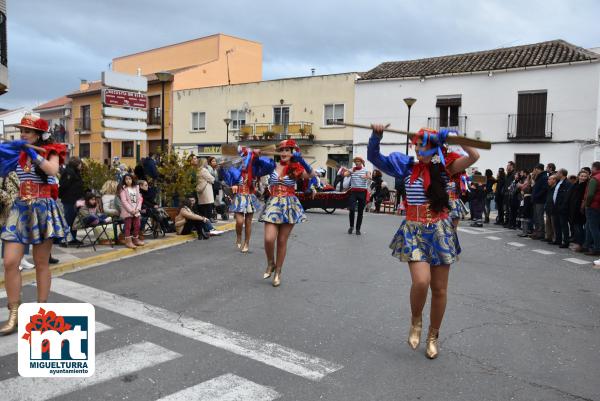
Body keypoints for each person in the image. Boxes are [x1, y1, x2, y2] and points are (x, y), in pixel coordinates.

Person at [367, 124, 479, 359]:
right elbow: (374, 157)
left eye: (423, 145)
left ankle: (433, 335)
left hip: (440, 230)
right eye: (416, 144)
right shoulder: (407, 167)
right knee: (421, 282)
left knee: (439, 289)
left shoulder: (446, 168)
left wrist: (455, 137)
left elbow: (474, 156)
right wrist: (376, 136)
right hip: (414, 230)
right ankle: (416, 321)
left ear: (434, 147)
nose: (418, 149)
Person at [0, 114, 68, 335]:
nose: (23, 135)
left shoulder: (52, 150)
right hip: (20, 209)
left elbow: (52, 170)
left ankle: (41, 313)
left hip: (43, 209)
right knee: (10, 262)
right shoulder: (18, 152)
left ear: (38, 134)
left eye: (27, 132)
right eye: (21, 131)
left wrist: (33, 155)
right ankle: (14, 314)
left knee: (41, 263)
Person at [258, 139, 315, 287]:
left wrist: (301, 160)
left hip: (289, 205)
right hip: (273, 203)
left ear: (292, 152)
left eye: (287, 150)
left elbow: (311, 175)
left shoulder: (296, 168)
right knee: (269, 239)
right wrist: (256, 156)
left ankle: (278, 272)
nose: (284, 153)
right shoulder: (272, 166)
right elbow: (256, 169)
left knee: (282, 241)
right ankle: (271, 263)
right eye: (282, 150)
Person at [223, 147, 263, 253]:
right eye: (242, 159)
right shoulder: (236, 172)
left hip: (250, 197)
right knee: (239, 222)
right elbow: (229, 179)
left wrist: (256, 155)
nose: (244, 161)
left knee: (248, 222)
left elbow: (259, 164)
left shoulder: (253, 171)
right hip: (239, 197)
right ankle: (239, 236)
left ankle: (247, 243)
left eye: (246, 159)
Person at [58, 157, 84, 245]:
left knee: (75, 220)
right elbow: (64, 186)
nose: (81, 166)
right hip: (70, 200)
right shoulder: (69, 172)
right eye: (80, 164)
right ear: (76, 164)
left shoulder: (76, 172)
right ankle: (62, 239)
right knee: (68, 220)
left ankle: (73, 238)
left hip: (77, 199)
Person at [345, 156, 371, 235]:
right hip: (353, 192)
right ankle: (351, 226)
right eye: (356, 161)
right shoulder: (352, 169)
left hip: (362, 192)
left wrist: (366, 176)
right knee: (352, 209)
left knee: (360, 212)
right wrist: (350, 171)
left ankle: (358, 229)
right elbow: (345, 174)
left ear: (361, 162)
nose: (357, 162)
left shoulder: (365, 170)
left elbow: (370, 177)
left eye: (358, 161)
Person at [118, 173, 144, 249]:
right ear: (124, 180)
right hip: (128, 211)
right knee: (128, 226)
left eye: (130, 179)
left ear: (132, 179)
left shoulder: (136, 188)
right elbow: (124, 201)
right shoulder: (123, 189)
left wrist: (138, 208)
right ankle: (128, 241)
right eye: (126, 179)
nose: (128, 180)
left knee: (137, 225)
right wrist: (131, 210)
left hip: (136, 210)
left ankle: (135, 239)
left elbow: (140, 199)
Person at [568, 169, 588, 251]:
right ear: (578, 176)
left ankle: (581, 244)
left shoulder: (585, 186)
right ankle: (578, 243)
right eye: (582, 176)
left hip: (580, 210)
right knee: (575, 227)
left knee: (579, 227)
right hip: (573, 209)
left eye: (585, 176)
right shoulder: (575, 185)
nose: (583, 178)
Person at [552, 168, 572, 248]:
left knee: (563, 225)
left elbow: (566, 197)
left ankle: (566, 241)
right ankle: (558, 239)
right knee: (557, 224)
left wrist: (562, 206)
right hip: (556, 206)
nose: (556, 174)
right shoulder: (559, 182)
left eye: (558, 173)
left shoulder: (567, 183)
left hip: (562, 207)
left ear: (561, 174)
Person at [584, 162, 600, 256]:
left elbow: (590, 194)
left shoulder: (595, 178)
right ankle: (588, 245)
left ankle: (597, 248)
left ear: (594, 168)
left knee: (593, 228)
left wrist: (587, 204)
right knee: (589, 226)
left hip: (593, 206)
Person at [530, 164, 548, 239]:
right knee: (536, 217)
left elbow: (544, 189)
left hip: (540, 200)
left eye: (535, 169)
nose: (534, 171)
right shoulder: (538, 177)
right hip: (536, 200)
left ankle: (541, 233)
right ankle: (536, 231)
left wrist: (536, 196)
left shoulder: (544, 177)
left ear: (538, 169)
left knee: (539, 217)